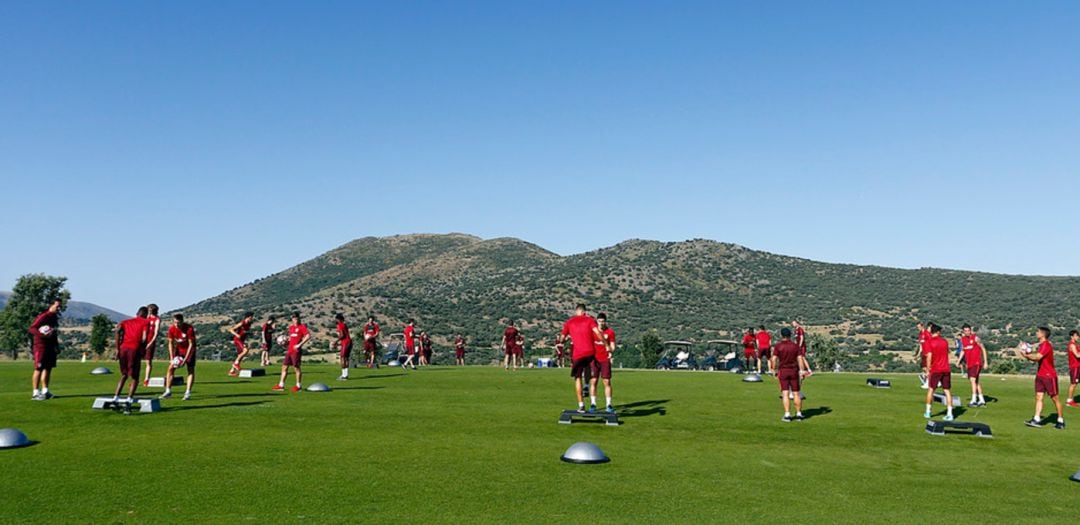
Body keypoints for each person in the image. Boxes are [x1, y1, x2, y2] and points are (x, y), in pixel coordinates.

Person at [558, 304, 605, 413]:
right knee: (589, 366)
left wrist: (564, 340)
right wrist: (605, 343)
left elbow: (561, 339)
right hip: (590, 352)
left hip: (578, 354)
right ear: (584, 312)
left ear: (576, 312)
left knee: (577, 377)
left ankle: (581, 406)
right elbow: (598, 333)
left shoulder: (569, 322)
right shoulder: (589, 320)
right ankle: (587, 386)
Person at [1018, 327, 1065, 429]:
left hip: (1049, 376)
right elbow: (1036, 357)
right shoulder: (1041, 345)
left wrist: (1026, 355)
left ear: (1043, 334)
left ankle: (1060, 421)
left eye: (1038, 332)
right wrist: (1027, 355)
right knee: (1039, 397)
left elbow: (1037, 357)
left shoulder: (1046, 345)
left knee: (1055, 398)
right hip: (1040, 375)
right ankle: (1036, 419)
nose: (1036, 333)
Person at [112, 306, 150, 414]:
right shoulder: (145, 322)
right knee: (135, 377)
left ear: (137, 313)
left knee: (124, 375)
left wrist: (117, 348)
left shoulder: (126, 321)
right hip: (134, 350)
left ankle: (115, 398)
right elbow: (144, 337)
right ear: (146, 315)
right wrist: (143, 349)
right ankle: (128, 401)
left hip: (123, 349)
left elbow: (117, 330)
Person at [29, 299, 62, 400]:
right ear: (51, 306)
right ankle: (35, 392)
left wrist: (56, 345)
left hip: (50, 346)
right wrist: (43, 335)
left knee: (48, 368)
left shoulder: (54, 318)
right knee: (38, 368)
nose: (59, 308)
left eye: (60, 307)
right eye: (57, 306)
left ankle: (45, 391)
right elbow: (32, 328)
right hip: (41, 346)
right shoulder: (44, 316)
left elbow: (54, 332)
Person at [771, 327, 805, 421]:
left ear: (781, 335)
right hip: (794, 371)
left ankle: (787, 414)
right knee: (796, 393)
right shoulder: (795, 346)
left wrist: (774, 370)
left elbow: (773, 359)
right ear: (790, 335)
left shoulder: (778, 346)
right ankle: (799, 413)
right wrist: (802, 371)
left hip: (783, 371)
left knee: (785, 393)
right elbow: (800, 359)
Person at [923, 323, 955, 421]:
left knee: (931, 390)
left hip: (936, 369)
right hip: (946, 369)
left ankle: (928, 411)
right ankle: (950, 413)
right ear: (938, 332)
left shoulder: (930, 342)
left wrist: (928, 369)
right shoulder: (945, 341)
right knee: (947, 391)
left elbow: (929, 356)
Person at [162, 313, 197, 400]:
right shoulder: (171, 329)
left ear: (182, 322)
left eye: (179, 323)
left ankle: (187, 392)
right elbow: (170, 343)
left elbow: (191, 344)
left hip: (189, 350)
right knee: (170, 367)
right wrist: (171, 357)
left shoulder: (189, 329)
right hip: (179, 349)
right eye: (175, 323)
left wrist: (185, 359)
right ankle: (168, 391)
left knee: (190, 370)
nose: (177, 325)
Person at [273, 312, 310, 392]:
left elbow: (308, 336)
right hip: (289, 350)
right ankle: (281, 385)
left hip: (296, 351)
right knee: (284, 367)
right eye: (293, 318)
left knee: (296, 368)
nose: (295, 320)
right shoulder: (291, 327)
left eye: (296, 318)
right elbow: (291, 339)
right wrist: (285, 343)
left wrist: (299, 345)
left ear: (299, 318)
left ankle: (298, 385)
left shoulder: (302, 327)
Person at [593, 313, 617, 413]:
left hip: (605, 360)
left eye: (603, 321)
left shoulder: (610, 332)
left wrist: (610, 351)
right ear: (597, 321)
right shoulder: (593, 331)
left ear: (605, 321)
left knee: (606, 382)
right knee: (593, 381)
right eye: (599, 321)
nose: (601, 323)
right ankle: (593, 404)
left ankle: (608, 404)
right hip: (594, 359)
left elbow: (613, 347)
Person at [960, 324, 988, 407]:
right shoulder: (963, 339)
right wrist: (959, 361)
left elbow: (983, 348)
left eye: (968, 330)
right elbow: (963, 350)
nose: (967, 332)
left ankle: (974, 400)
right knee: (975, 382)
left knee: (972, 380)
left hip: (976, 363)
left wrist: (985, 362)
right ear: (963, 331)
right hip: (969, 364)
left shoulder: (975, 338)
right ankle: (982, 400)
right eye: (965, 331)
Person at [227, 312, 255, 376]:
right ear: (248, 317)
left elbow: (245, 332)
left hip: (242, 340)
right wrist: (237, 335)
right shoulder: (242, 323)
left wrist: (251, 333)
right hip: (237, 340)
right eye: (251, 317)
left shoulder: (249, 324)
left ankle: (232, 371)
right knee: (245, 350)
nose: (252, 318)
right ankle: (236, 364)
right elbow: (231, 329)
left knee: (240, 356)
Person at [141, 304, 161, 387]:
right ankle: (135, 379)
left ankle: (146, 379)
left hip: (150, 341)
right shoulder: (146, 318)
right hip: (142, 341)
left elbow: (156, 333)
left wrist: (150, 343)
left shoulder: (157, 319)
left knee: (148, 361)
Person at [334, 313, 353, 380]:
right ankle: (346, 375)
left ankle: (343, 375)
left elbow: (342, 335)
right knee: (347, 358)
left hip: (345, 342)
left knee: (342, 358)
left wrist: (335, 342)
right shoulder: (344, 324)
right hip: (350, 342)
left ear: (338, 319)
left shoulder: (339, 325)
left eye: (336, 319)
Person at [1067, 331, 1080, 408]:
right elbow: (1077, 355)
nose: (1077, 337)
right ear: (1072, 336)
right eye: (1076, 336)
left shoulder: (1075, 344)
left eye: (1078, 336)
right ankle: (1069, 401)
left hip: (1078, 366)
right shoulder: (1072, 345)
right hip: (1075, 367)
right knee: (1073, 383)